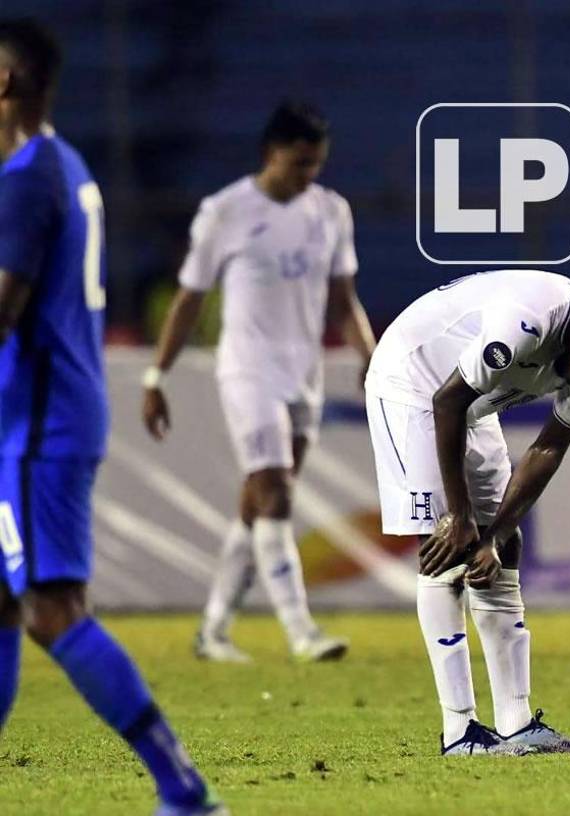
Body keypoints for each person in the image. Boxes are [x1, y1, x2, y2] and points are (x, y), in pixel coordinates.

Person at [0, 18, 226, 815]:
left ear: (5, 82)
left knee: (53, 613)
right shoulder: (68, 165)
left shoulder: (25, 177)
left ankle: (184, 789)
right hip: (40, 418)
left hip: (37, 428)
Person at [364, 269, 570, 754]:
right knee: (447, 548)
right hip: (413, 384)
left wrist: (493, 534)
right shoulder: (525, 323)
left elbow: (548, 448)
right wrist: (462, 516)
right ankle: (460, 731)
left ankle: (516, 722)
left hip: (472, 401)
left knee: (504, 544)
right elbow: (447, 401)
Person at [143, 101, 375, 663]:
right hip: (248, 368)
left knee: (259, 503)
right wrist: (156, 375)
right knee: (275, 493)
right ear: (272, 153)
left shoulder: (331, 212)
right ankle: (302, 633)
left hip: (305, 372)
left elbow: (344, 300)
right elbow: (189, 300)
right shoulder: (225, 212)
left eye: (316, 165)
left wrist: (370, 356)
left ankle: (212, 630)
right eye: (300, 163)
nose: (308, 176)